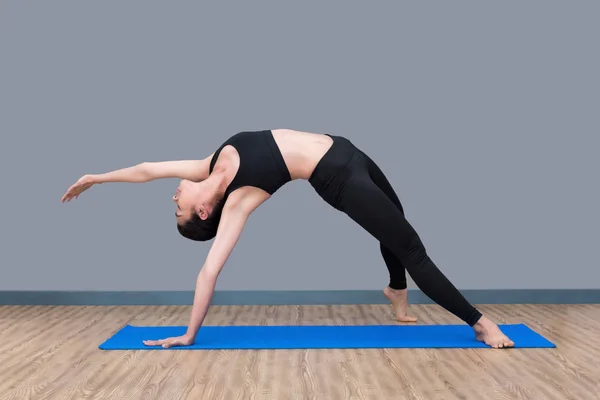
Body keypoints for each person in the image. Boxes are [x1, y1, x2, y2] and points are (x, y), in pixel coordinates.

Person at [61, 129, 514, 349]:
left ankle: (396, 291)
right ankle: (478, 322)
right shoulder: (239, 200)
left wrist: (96, 178)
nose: (173, 194)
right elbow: (209, 271)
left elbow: (145, 169)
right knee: (412, 247)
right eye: (177, 206)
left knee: (397, 223)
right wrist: (188, 333)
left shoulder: (208, 165)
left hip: (348, 149)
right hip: (338, 179)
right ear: (204, 211)